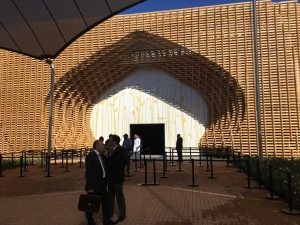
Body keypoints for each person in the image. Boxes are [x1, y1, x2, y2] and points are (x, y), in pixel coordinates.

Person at [85, 140, 116, 225]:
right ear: (96, 146)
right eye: (102, 145)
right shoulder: (91, 156)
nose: (104, 146)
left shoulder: (101, 155)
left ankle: (106, 220)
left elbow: (106, 166)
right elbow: (89, 172)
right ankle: (90, 220)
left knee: (106, 202)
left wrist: (106, 156)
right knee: (91, 203)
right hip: (94, 185)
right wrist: (90, 187)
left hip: (102, 183)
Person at [107, 135, 128, 223]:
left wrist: (119, 169)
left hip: (117, 178)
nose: (109, 142)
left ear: (114, 141)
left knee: (119, 197)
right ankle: (110, 214)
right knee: (111, 197)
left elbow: (125, 160)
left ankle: (122, 215)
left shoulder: (121, 150)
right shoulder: (111, 150)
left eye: (111, 140)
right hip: (110, 178)